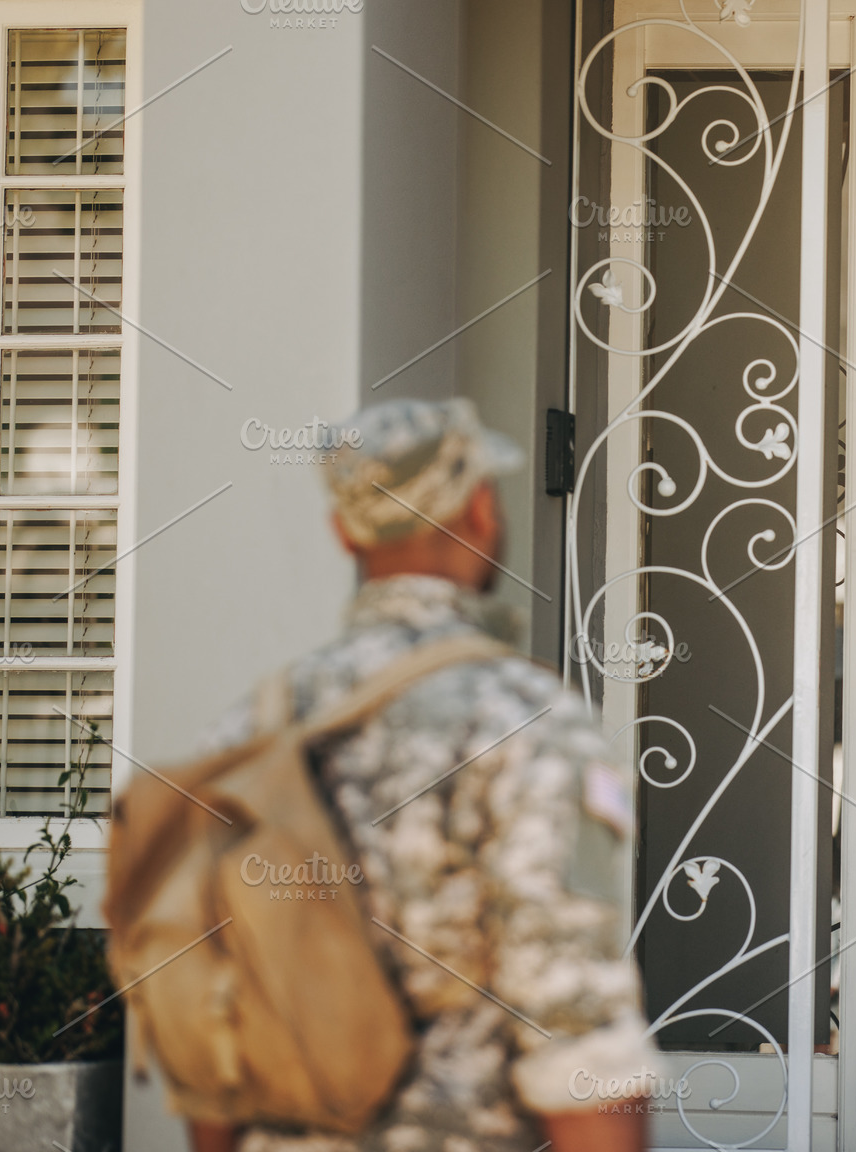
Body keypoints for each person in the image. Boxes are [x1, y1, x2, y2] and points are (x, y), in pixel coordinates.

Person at [186, 398, 655, 1152]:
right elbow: (577, 1036)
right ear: (480, 508)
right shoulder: (521, 720)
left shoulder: (251, 728)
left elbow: (206, 1034)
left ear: (345, 530)